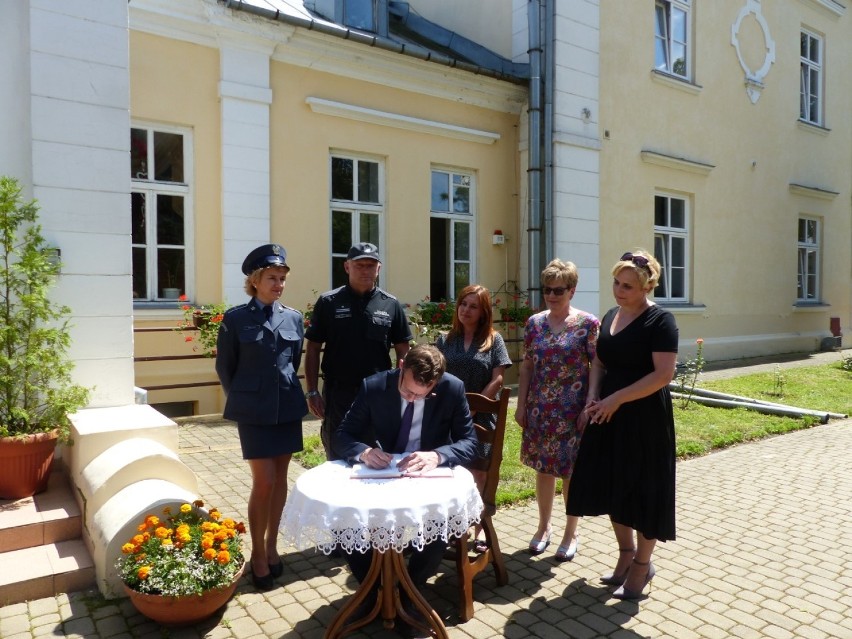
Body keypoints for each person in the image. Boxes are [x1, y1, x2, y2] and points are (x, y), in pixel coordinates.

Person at [567, 249, 678, 600]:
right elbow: (599, 361)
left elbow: (663, 374)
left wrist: (616, 399)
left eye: (628, 286)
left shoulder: (661, 321)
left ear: (646, 287)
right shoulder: (612, 315)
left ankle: (643, 568)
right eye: (616, 282)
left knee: (645, 491)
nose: (619, 290)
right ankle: (625, 555)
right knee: (616, 486)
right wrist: (594, 396)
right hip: (608, 413)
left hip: (644, 417)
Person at [333, 344, 479, 589]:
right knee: (348, 520)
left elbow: (470, 443)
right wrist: (365, 452)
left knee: (440, 523)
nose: (413, 398)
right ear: (401, 366)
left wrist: (437, 456)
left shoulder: (452, 388)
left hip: (429, 478)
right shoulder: (374, 386)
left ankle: (410, 590)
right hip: (384, 476)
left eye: (422, 395)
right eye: (407, 392)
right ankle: (373, 590)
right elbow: (342, 436)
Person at [215, 244, 308, 591]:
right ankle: (256, 552)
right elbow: (226, 367)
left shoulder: (294, 318)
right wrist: (244, 398)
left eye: (282, 278)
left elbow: (292, 361)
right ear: (255, 281)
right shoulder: (236, 318)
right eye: (272, 278)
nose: (279, 284)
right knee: (264, 481)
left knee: (281, 480)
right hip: (253, 411)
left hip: (286, 409)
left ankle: (272, 546)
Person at [515, 259, 599, 562]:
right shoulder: (534, 323)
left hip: (571, 409)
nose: (551, 295)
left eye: (558, 290)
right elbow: (527, 366)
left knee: (570, 472)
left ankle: (571, 532)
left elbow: (596, 367)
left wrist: (589, 405)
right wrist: (521, 404)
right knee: (543, 468)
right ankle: (543, 527)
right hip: (539, 408)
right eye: (547, 289)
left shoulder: (588, 324)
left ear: (572, 290)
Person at [304, 242, 412, 460]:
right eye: (359, 265)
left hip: (378, 393)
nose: (365, 270)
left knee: (377, 453)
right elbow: (313, 348)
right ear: (346, 267)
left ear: (378, 269)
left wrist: (402, 386)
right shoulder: (328, 302)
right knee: (337, 451)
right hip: (339, 392)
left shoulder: (390, 304)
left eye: (370, 266)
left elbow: (404, 349)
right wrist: (312, 390)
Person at [435, 284, 512, 552]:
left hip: (483, 418)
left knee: (479, 473)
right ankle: (456, 528)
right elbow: (437, 377)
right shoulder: (445, 339)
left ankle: (479, 529)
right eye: (463, 304)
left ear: (483, 311)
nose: (466, 310)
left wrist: (475, 407)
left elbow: (499, 377)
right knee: (451, 473)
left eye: (473, 306)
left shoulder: (494, 340)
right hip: (448, 419)